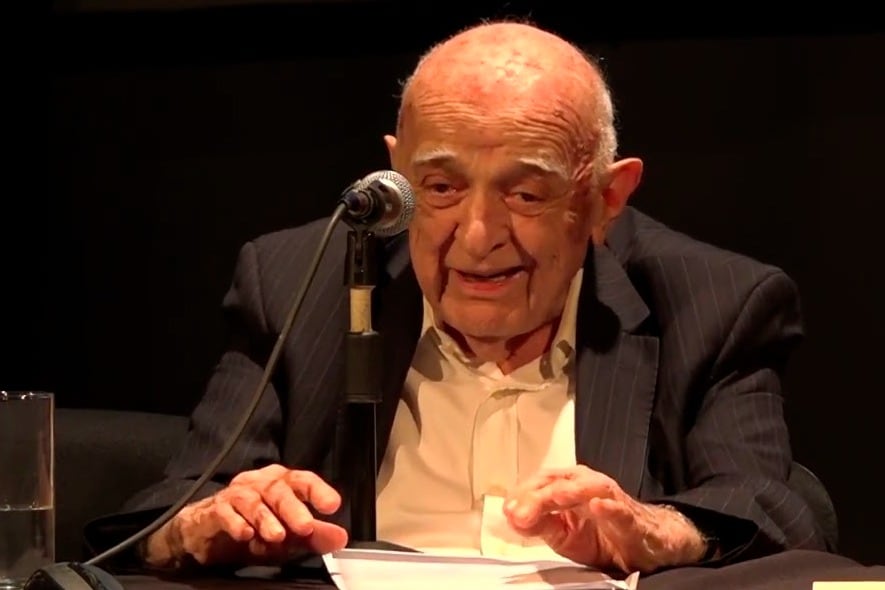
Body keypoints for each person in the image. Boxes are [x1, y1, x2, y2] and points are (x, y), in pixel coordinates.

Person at [86, 20, 827, 576]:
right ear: (395, 174)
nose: (476, 236)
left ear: (605, 198)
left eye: (525, 193)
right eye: (439, 187)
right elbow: (171, 508)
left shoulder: (712, 303)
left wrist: (661, 529)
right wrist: (206, 525)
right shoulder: (296, 282)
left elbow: (777, 508)